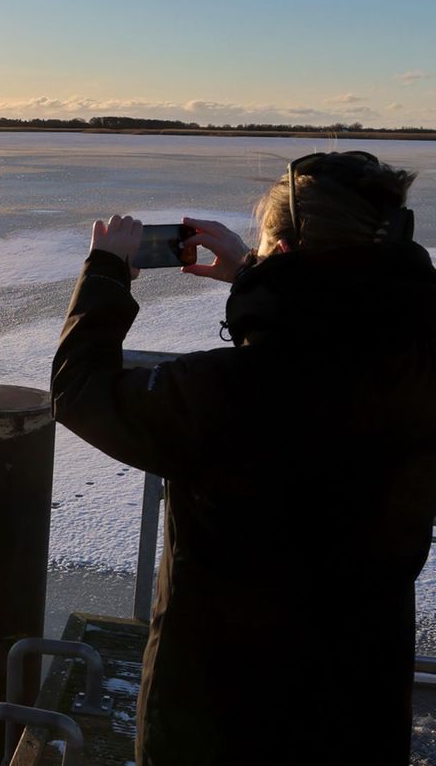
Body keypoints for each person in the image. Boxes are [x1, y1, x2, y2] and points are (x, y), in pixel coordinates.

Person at [51, 150, 436, 765]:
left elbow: (81, 392)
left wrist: (105, 274)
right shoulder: (416, 365)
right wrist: (257, 273)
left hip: (224, 710)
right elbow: (346, 315)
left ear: (287, 250)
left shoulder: (234, 392)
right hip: (361, 698)